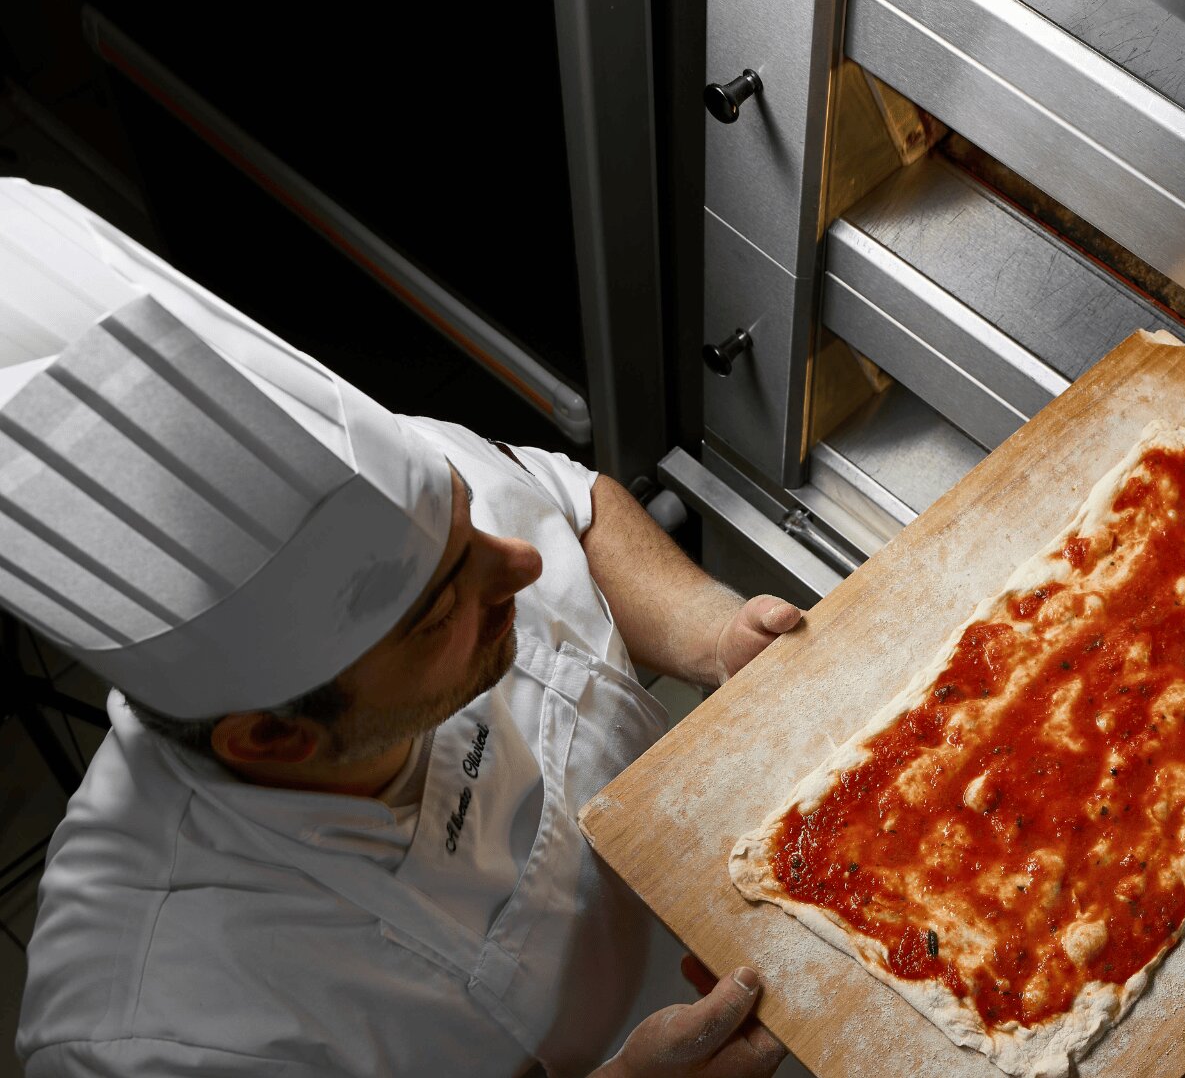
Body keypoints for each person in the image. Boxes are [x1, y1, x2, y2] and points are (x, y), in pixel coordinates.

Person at [1, 178, 800, 1077]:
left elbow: (568, 508)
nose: (518, 567)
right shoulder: (148, 1033)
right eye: (438, 610)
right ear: (272, 734)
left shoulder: (395, 495)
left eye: (467, 528)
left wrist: (711, 632)